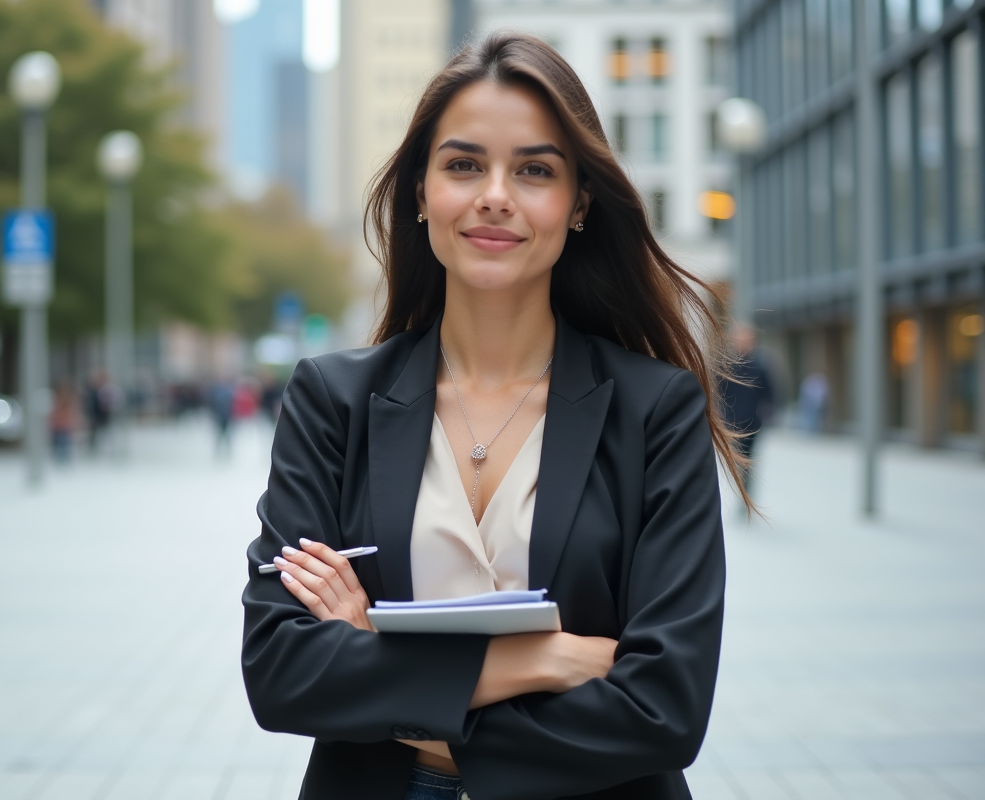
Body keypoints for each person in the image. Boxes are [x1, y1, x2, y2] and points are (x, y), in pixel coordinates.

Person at [241, 33, 745, 800]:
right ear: (421, 191)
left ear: (578, 202)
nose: (495, 194)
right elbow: (281, 672)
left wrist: (384, 665)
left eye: (535, 169)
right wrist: (535, 662)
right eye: (464, 164)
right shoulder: (331, 403)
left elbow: (664, 707)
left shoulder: (655, 410)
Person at [717, 325, 776, 496]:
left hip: (753, 422)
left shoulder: (760, 366)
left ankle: (746, 491)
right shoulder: (726, 365)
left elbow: (770, 393)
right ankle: (740, 488)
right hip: (731, 421)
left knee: (748, 457)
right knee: (736, 458)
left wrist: (769, 412)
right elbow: (718, 391)